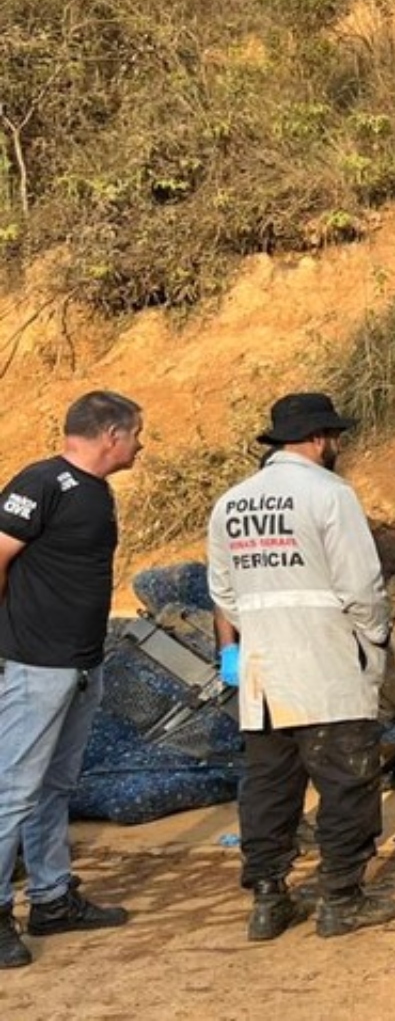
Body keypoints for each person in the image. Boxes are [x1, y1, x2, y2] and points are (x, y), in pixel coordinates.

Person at [206, 392, 395, 941]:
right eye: (334, 438)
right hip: (327, 661)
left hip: (262, 674)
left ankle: (269, 901)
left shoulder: (231, 503)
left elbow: (222, 590)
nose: (336, 447)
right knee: (347, 780)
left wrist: (248, 641)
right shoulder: (329, 494)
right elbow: (361, 584)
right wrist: (374, 639)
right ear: (319, 439)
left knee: (269, 787)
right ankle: (341, 898)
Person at [0, 390, 144, 969]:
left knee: (54, 787)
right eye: (136, 433)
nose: (141, 445)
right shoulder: (40, 484)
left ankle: (52, 898)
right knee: (13, 790)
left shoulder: (95, 491)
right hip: (35, 664)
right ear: (110, 434)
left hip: (82, 665)